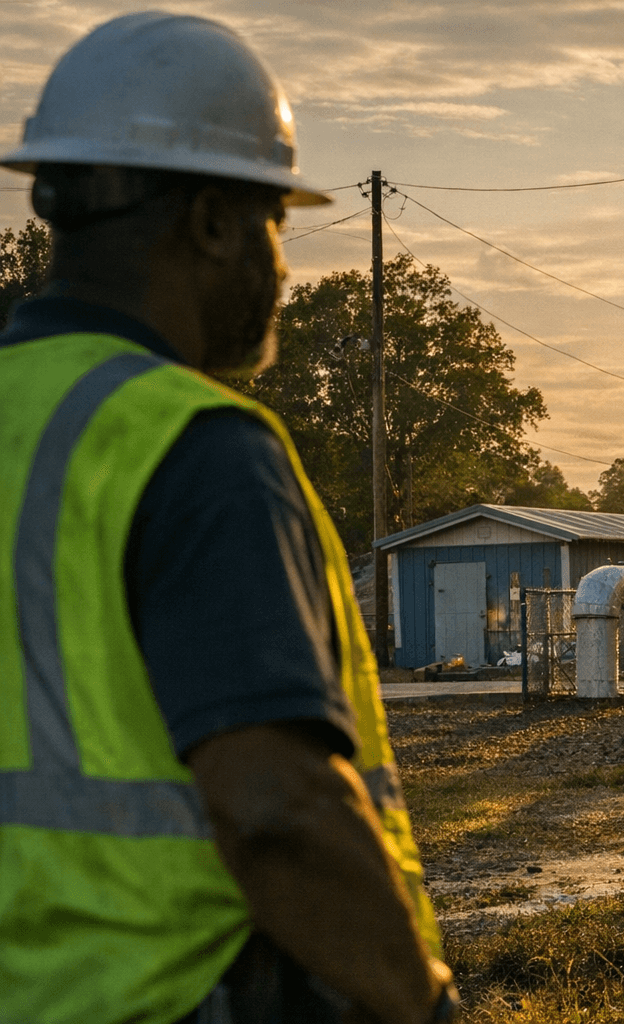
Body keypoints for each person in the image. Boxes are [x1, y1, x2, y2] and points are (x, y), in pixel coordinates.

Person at [0, 13, 457, 1024]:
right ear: (211, 221)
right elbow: (274, 806)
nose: (283, 268)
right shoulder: (191, 446)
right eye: (274, 224)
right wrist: (419, 1004)